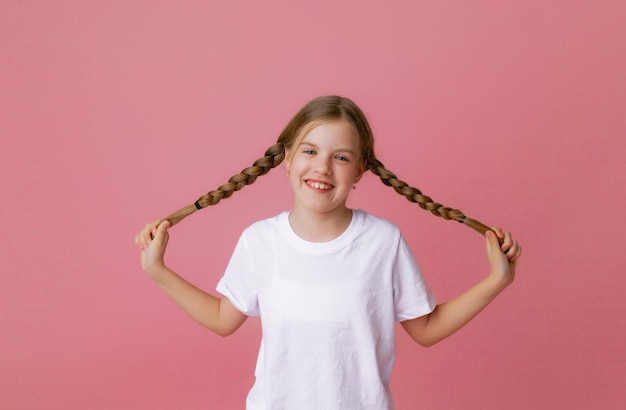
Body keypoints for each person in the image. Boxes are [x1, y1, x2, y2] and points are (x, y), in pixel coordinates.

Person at [134, 95, 522, 409]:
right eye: (309, 151)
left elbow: (426, 328)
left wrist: (496, 282)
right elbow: (223, 319)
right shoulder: (259, 241)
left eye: (340, 157)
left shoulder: (383, 242)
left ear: (359, 171)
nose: (322, 167)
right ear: (286, 160)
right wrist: (159, 272)